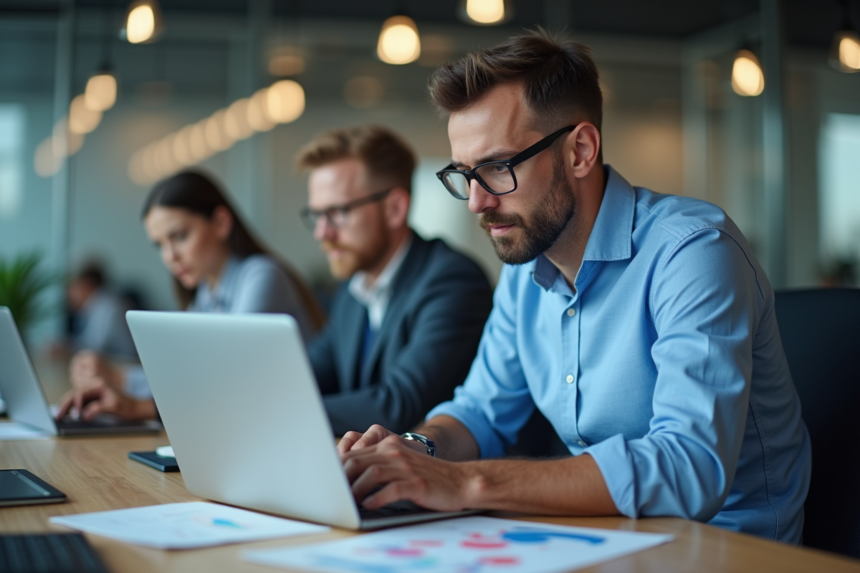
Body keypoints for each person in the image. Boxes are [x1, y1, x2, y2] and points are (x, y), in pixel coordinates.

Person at [336, 31, 811, 544]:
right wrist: (412, 449)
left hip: (727, 548)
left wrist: (465, 481)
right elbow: (479, 412)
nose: (475, 202)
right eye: (464, 174)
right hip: (603, 538)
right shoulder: (524, 271)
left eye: (497, 168)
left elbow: (687, 468)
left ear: (580, 151)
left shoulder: (693, 252)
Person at [57, 170, 325, 421]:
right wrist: (116, 377)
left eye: (180, 236)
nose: (170, 256)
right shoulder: (206, 295)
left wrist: (132, 394)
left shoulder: (262, 275)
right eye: (160, 244)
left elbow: (225, 379)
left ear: (220, 223)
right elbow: (188, 377)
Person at [296, 125, 494, 436]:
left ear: (394, 208)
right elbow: (304, 376)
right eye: (317, 216)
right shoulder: (353, 291)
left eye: (337, 212)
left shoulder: (453, 281)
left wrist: (279, 411)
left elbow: (398, 406)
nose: (323, 233)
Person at [56, 261, 138, 360]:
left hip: (125, 364)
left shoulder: (107, 306)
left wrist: (66, 348)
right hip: (113, 363)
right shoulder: (93, 306)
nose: (70, 295)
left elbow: (95, 346)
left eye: (74, 288)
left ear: (86, 285)